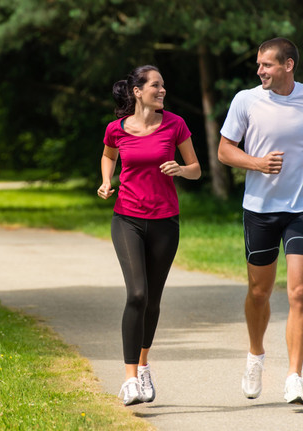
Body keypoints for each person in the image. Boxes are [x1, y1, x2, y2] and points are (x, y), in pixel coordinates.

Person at [217, 37, 303, 405]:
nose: (259, 71)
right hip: (260, 208)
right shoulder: (246, 100)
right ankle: (255, 355)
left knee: (300, 291)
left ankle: (294, 376)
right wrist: (256, 162)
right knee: (260, 292)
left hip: (302, 206)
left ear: (288, 65)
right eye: (258, 65)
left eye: (267, 65)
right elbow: (225, 150)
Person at [98, 65, 201, 406]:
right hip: (127, 218)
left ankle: (143, 365)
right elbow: (108, 155)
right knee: (137, 294)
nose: (163, 90)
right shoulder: (117, 129)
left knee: (153, 301)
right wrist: (106, 180)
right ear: (138, 91)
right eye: (156, 85)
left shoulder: (175, 124)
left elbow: (196, 168)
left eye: (163, 85)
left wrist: (180, 169)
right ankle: (129, 380)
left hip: (165, 221)